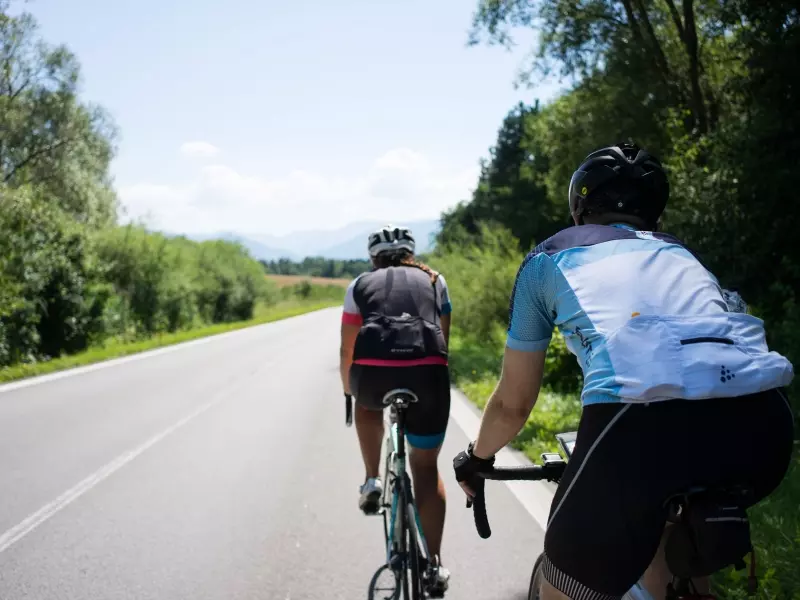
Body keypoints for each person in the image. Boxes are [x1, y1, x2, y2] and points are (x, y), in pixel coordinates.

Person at [453, 143, 795, 600]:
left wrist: (477, 458)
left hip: (638, 425)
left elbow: (513, 405)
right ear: (656, 217)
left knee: (564, 584)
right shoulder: (684, 256)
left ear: (579, 211)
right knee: (680, 548)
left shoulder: (546, 260)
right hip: (764, 426)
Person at [340, 224, 453, 597]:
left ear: (373, 258)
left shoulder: (359, 286)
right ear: (411, 253)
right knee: (425, 467)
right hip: (427, 376)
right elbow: (443, 341)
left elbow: (348, 350)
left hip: (374, 377)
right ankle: (434, 564)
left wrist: (348, 391)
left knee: (366, 405)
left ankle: (372, 479)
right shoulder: (435, 280)